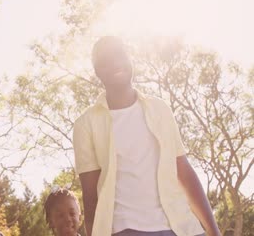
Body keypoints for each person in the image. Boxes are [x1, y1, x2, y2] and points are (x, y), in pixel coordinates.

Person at [73, 36, 221, 236]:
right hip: (125, 229)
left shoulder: (160, 109)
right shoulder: (86, 124)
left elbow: (184, 171)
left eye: (120, 55)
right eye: (106, 60)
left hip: (180, 227)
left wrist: (214, 231)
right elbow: (90, 197)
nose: (116, 63)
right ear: (98, 72)